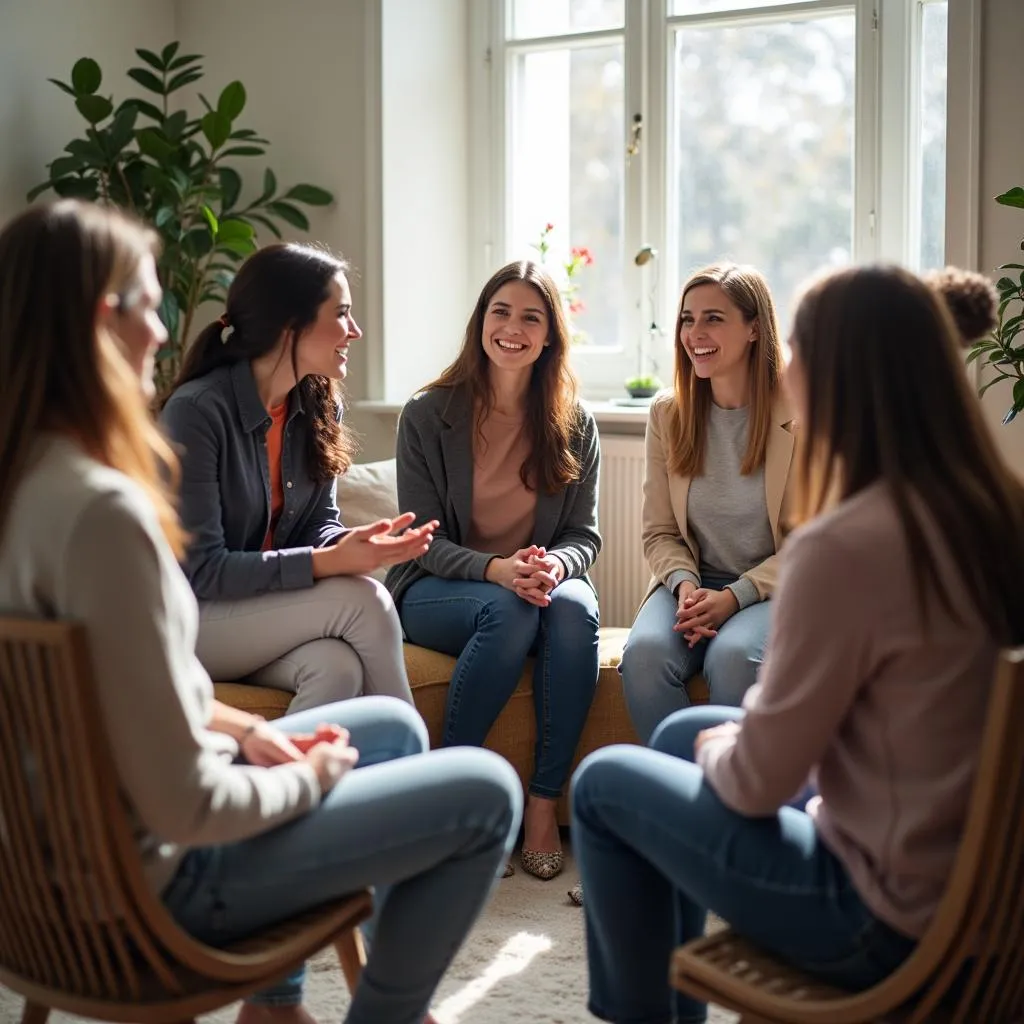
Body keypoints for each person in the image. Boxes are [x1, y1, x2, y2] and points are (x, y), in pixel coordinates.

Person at [0, 200, 522, 1024]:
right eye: (151, 303)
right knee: (486, 789)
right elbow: (189, 808)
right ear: (108, 317)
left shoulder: (32, 488)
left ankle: (276, 1006)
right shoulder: (109, 512)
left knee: (369, 713)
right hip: (156, 892)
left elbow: (112, 689)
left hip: (49, 886)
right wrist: (308, 780)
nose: (169, 334)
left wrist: (248, 733)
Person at [570, 263, 1022, 1024]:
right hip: (981, 887)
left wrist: (726, 747)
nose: (789, 370)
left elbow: (758, 785)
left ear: (840, 374)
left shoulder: (846, 545)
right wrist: (718, 736)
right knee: (682, 730)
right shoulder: (993, 512)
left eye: (799, 352)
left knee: (608, 783)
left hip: (883, 920)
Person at [387, 260, 601, 881]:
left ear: (550, 336)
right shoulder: (427, 414)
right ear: (481, 321)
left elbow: (583, 535)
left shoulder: (573, 421)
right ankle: (456, 804)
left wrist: (552, 567)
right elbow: (419, 540)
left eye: (531, 317)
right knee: (508, 609)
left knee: (572, 611)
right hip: (438, 590)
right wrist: (498, 571)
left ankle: (540, 807)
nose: (512, 328)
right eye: (499, 312)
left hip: (536, 583)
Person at [161, 243, 433, 714]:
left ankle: (289, 787)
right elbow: (202, 571)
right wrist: (325, 563)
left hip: (259, 610)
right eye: (342, 314)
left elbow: (316, 528)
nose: (355, 331)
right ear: (291, 327)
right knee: (367, 601)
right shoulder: (197, 412)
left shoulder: (318, 405)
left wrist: (353, 543)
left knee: (335, 667)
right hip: (192, 618)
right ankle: (418, 771)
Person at [620, 262, 795, 745]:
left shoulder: (803, 417)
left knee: (734, 657)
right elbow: (660, 531)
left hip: (770, 589)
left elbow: (814, 545)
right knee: (645, 656)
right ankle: (686, 804)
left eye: (713, 318)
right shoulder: (667, 414)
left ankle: (733, 804)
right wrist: (685, 587)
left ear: (755, 328)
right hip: (692, 584)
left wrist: (734, 597)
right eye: (686, 319)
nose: (694, 333)